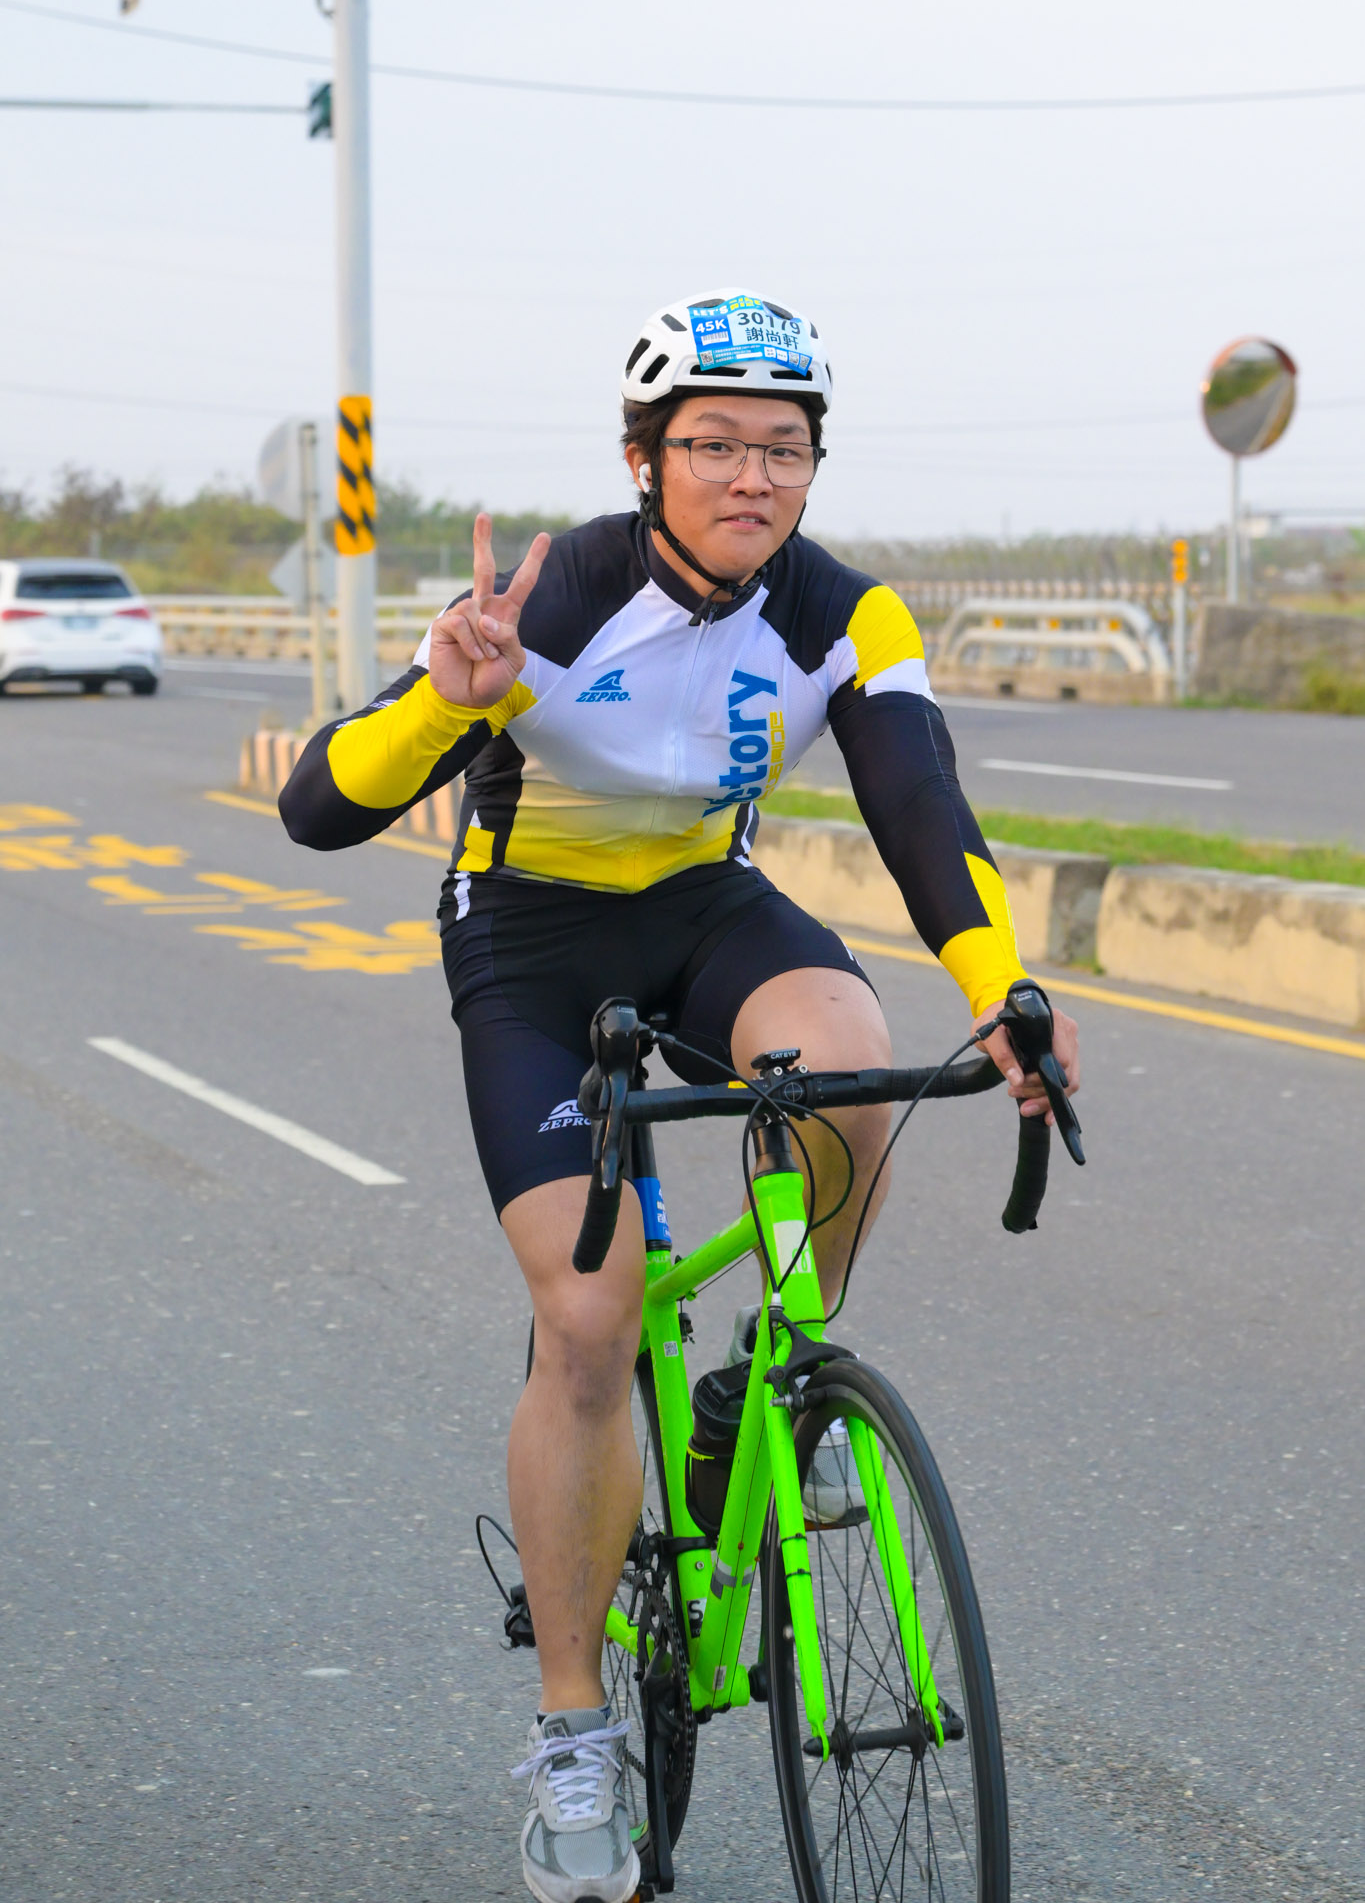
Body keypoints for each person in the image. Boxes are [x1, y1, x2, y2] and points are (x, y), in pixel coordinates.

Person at [279, 289, 1080, 1903]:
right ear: (645, 458)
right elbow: (316, 808)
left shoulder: (845, 614)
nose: (751, 475)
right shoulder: (556, 596)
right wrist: (445, 698)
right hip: (529, 932)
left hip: (708, 908)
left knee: (847, 1057)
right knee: (587, 1322)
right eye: (713, 443)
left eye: (784, 447)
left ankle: (776, 1363)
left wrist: (999, 988)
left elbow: (918, 801)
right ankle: (575, 1734)